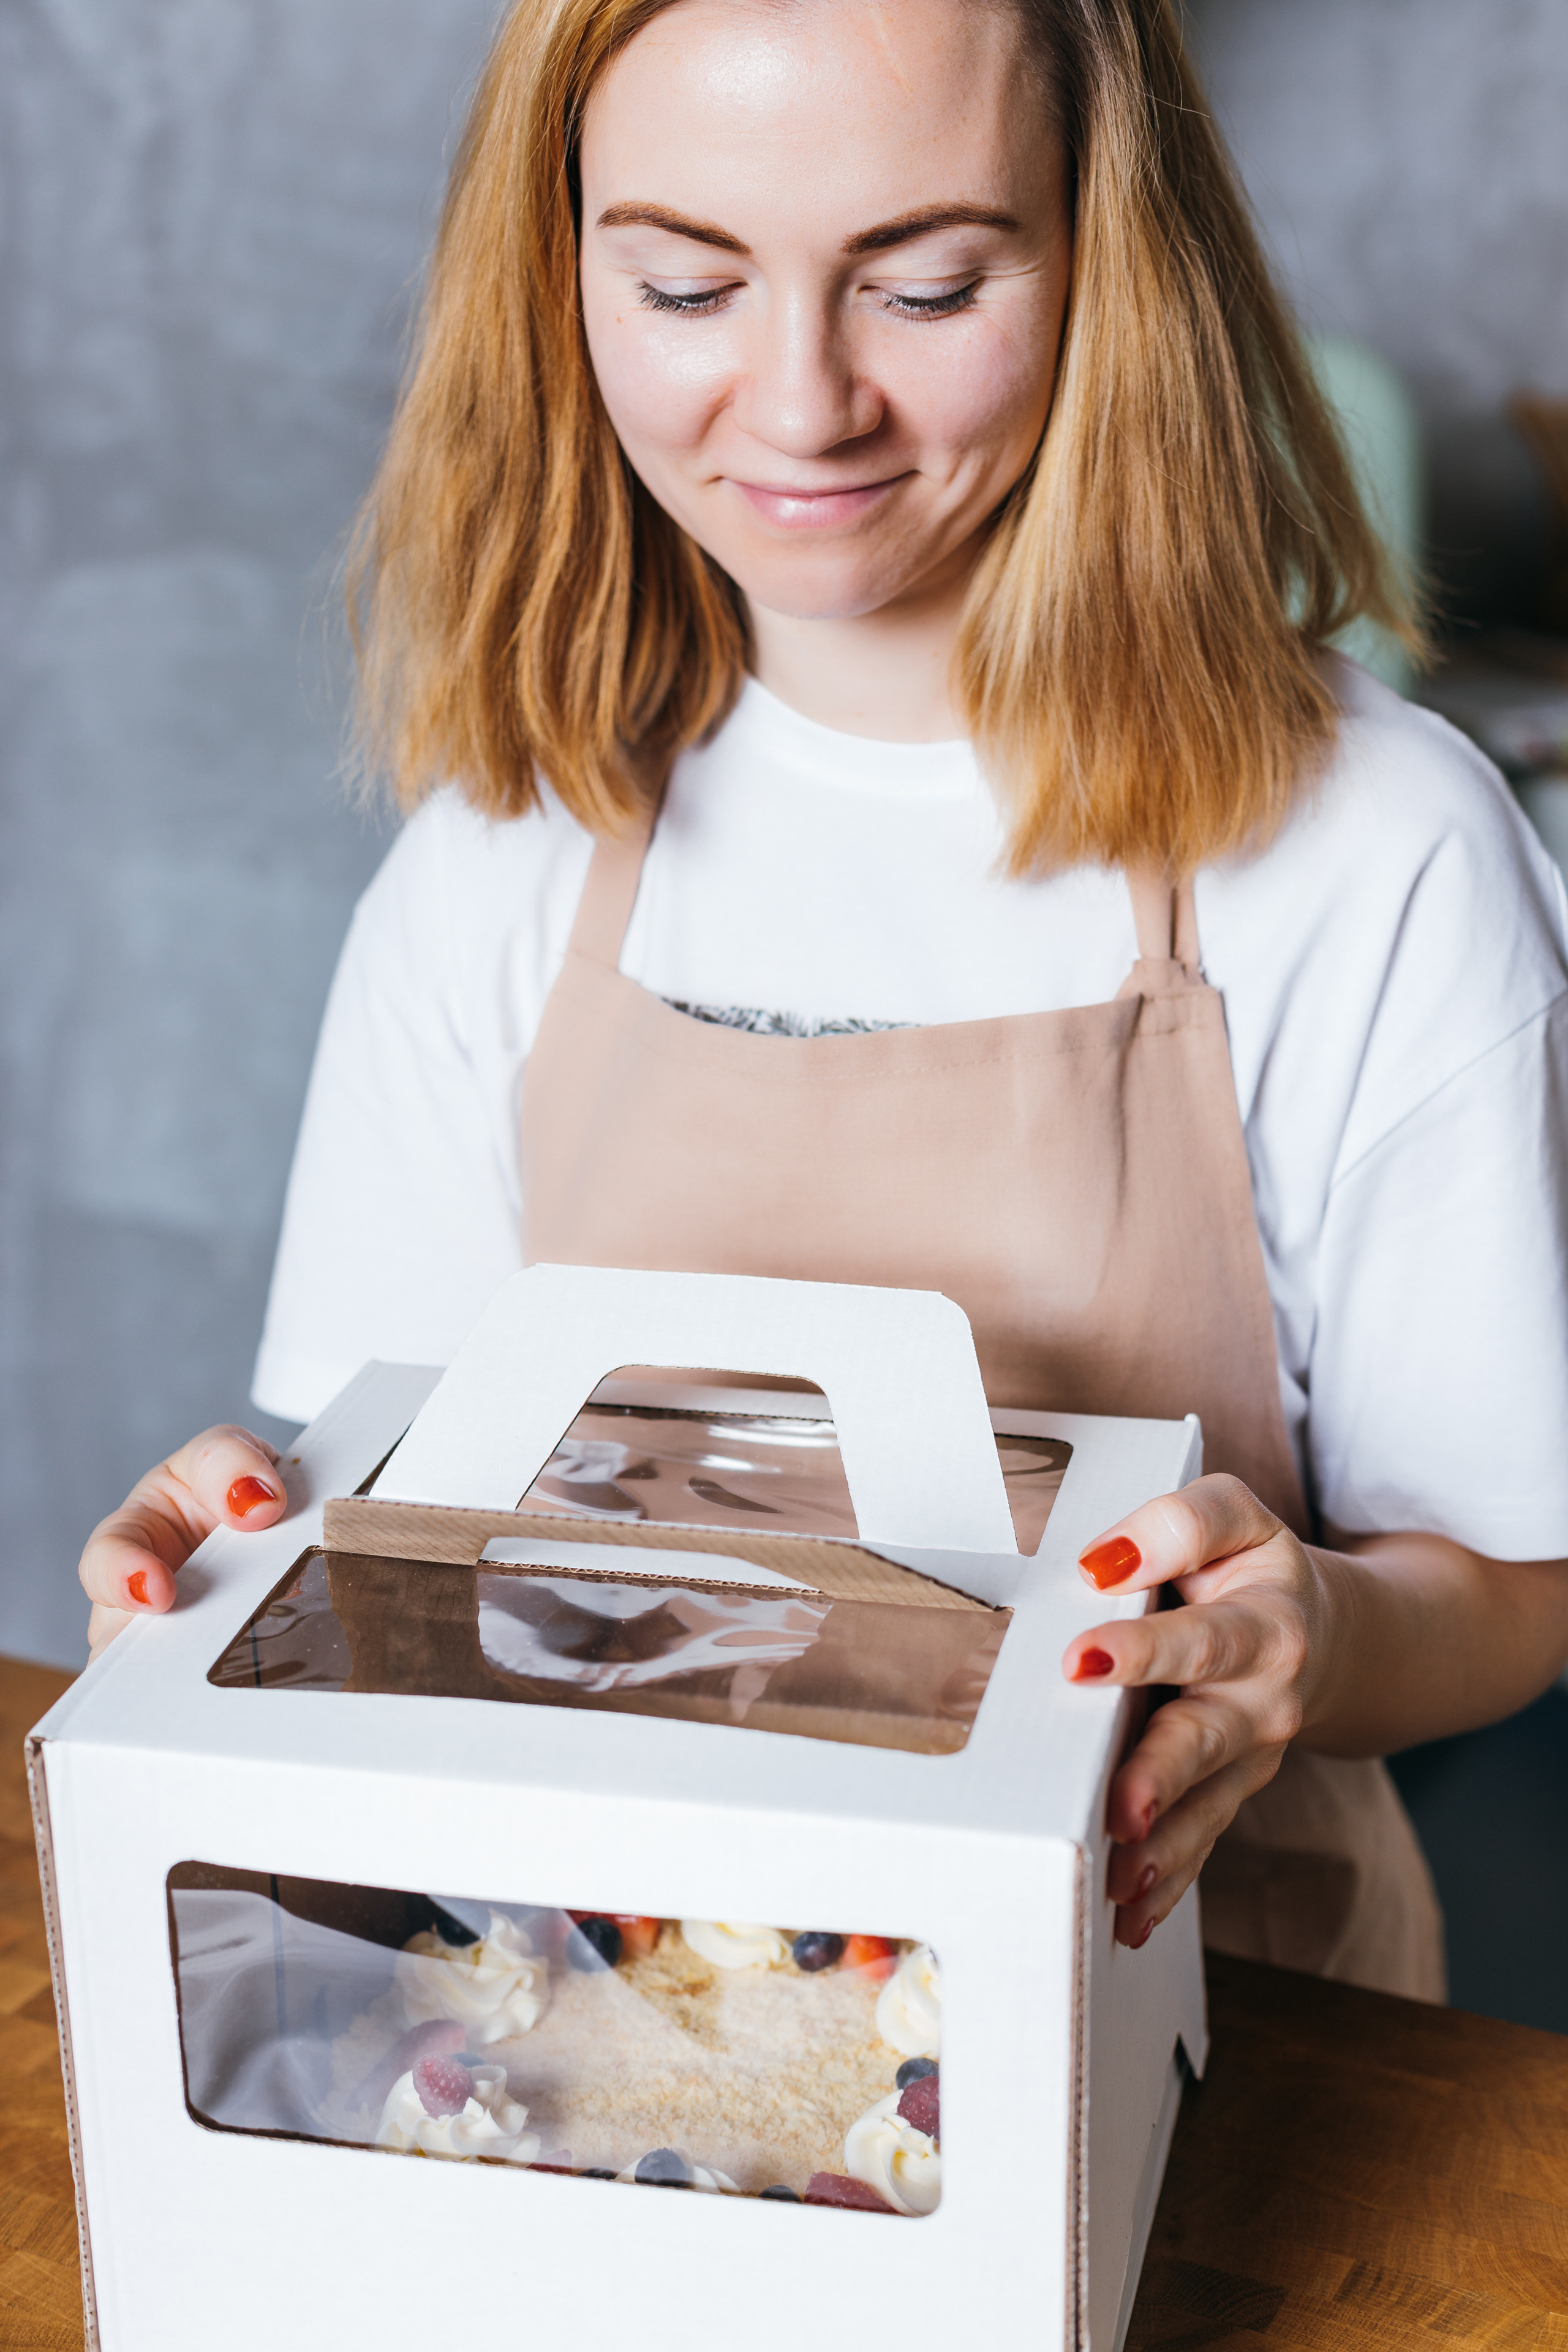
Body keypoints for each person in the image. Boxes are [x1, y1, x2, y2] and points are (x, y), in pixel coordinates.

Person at [77, 0, 1568, 1999]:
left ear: (1111, 260)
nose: (800, 406)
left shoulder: (1373, 849)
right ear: (566, 270)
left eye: (929, 283)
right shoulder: (505, 848)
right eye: (688, 283)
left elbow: (1509, 1590)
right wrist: (247, 1565)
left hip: (1229, 2033)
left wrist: (1320, 1633)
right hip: (614, 2033)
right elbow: (414, 1537)